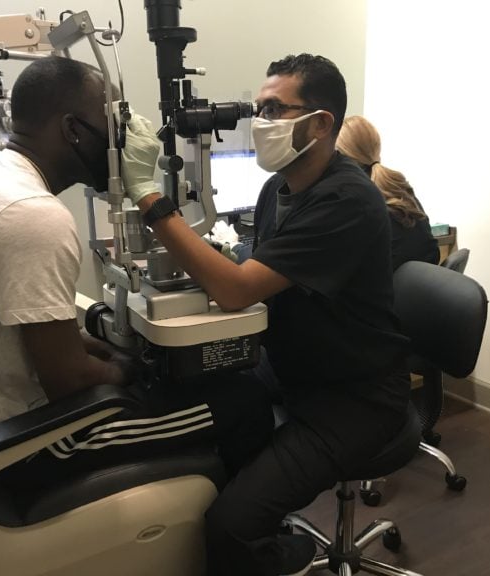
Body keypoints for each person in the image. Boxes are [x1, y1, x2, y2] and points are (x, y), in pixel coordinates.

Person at [120, 53, 412, 576]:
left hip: (354, 399)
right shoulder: (278, 187)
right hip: (293, 369)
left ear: (321, 124)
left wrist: (147, 196)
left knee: (230, 525)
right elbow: (253, 271)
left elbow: (236, 290)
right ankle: (264, 519)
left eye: (274, 109)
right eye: (258, 108)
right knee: (196, 416)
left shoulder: (348, 199)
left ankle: (280, 553)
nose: (259, 122)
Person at [0, 56, 274, 492]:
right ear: (73, 129)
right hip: (34, 444)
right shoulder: (32, 215)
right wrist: (131, 374)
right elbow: (69, 380)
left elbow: (36, 337)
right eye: (113, 122)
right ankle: (242, 546)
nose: (121, 137)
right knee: (245, 401)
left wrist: (108, 353)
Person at [336, 115, 440, 270]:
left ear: (339, 155)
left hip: (385, 289)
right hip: (420, 289)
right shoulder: (398, 184)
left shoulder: (353, 197)